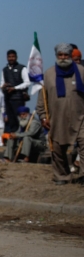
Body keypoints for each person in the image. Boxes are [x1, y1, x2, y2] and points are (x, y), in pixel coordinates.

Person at [36, 43, 84, 183]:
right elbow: (42, 98)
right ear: (56, 56)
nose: (63, 57)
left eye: (66, 55)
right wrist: (43, 116)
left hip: (80, 117)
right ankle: (62, 176)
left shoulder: (81, 71)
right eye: (60, 55)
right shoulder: (49, 74)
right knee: (57, 148)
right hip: (57, 118)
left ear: (70, 56)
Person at [0, 50, 31, 133]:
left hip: (18, 98)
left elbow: (27, 83)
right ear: (7, 58)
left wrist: (15, 88)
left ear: (16, 57)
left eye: (13, 57)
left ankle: (22, 137)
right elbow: (2, 83)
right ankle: (14, 137)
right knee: (11, 120)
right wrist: (3, 86)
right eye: (9, 57)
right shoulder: (4, 70)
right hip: (8, 99)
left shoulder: (22, 68)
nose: (11, 58)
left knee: (20, 119)